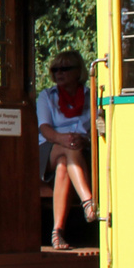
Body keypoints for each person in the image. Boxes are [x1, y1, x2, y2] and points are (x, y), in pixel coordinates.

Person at [37, 50, 96, 250]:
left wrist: (84, 140)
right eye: (55, 69)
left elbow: (96, 127)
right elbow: (44, 129)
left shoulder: (91, 96)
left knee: (64, 165)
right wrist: (64, 138)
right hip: (49, 148)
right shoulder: (47, 96)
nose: (59, 73)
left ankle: (57, 232)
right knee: (66, 150)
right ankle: (88, 200)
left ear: (78, 71)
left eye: (65, 68)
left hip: (82, 148)